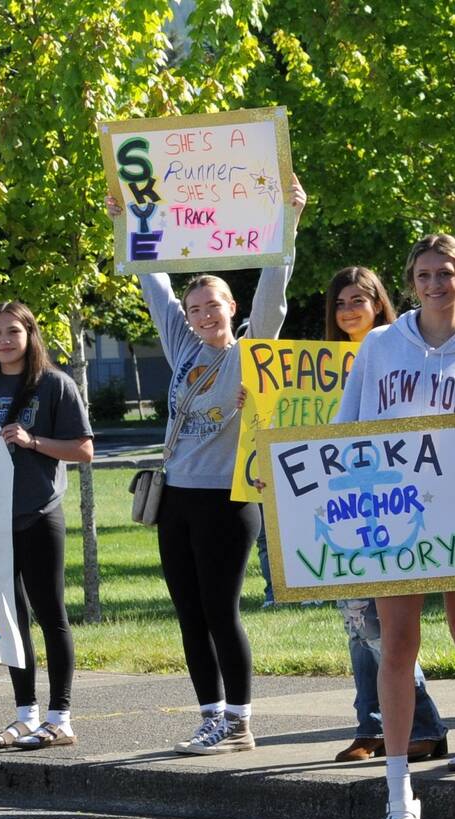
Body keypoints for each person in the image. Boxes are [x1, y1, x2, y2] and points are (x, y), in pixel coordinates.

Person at [332, 232, 455, 819]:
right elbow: (346, 427)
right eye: (425, 275)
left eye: (446, 273)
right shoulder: (381, 346)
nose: (436, 284)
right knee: (397, 644)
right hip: (391, 515)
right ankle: (397, 787)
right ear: (411, 282)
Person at [118, 182, 301, 758]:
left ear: (233, 310)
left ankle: (241, 722)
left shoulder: (250, 350)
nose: (200, 316)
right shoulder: (185, 349)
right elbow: (154, 284)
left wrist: (288, 219)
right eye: (194, 309)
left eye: (211, 307)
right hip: (176, 498)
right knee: (189, 611)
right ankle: (210, 716)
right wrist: (131, 218)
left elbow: (274, 287)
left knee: (221, 610)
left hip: (229, 498)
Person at [317, 266, 449, 763]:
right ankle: (373, 724)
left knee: (379, 626)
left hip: (392, 503)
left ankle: (421, 722)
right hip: (338, 501)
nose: (348, 310)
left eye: (358, 299)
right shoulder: (313, 364)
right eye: (340, 302)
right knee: (356, 621)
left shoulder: (392, 351)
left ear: (379, 303)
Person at [0, 301, 94, 751]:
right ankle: (25, 714)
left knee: (50, 615)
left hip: (39, 514)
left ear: (29, 335)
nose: (3, 340)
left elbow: (83, 450)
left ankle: (61, 717)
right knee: (11, 620)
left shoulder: (55, 384)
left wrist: (32, 441)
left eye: (12, 332)